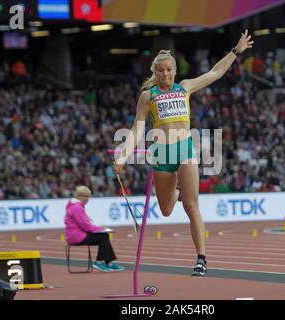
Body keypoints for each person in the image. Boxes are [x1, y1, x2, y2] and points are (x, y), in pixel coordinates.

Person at [114, 30, 254, 277]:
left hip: (185, 150)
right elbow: (137, 128)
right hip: (161, 155)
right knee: (167, 209)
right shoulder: (148, 96)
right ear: (154, 73)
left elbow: (215, 73)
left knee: (191, 204)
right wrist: (124, 155)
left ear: (175, 71)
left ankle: (201, 259)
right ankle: (177, 190)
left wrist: (236, 50)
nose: (165, 74)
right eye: (160, 71)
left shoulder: (185, 88)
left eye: (168, 70)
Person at [64, 185, 124, 272]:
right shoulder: (77, 208)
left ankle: (109, 262)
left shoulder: (75, 206)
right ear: (79, 196)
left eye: (88, 196)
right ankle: (100, 262)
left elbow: (85, 225)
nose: (87, 199)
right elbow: (86, 226)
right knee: (104, 236)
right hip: (76, 236)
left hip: (76, 235)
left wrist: (100, 229)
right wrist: (101, 229)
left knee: (104, 236)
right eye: (85, 196)